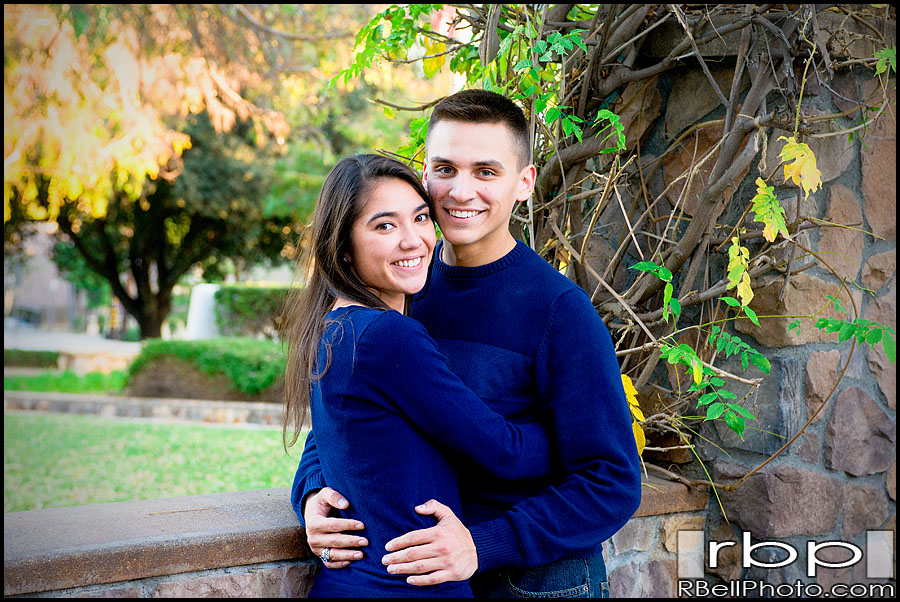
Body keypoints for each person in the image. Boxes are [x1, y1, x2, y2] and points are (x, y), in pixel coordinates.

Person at [294, 90, 643, 598]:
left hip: (535, 580)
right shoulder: (402, 285)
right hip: (426, 576)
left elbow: (612, 479)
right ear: (426, 175)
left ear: (523, 182)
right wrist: (309, 496)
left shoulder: (558, 312)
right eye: (445, 169)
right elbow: (349, 412)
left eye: (486, 171)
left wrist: (484, 544)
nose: (460, 191)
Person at [281, 153, 554, 598]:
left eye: (421, 217)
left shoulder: (332, 326)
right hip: (407, 588)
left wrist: (310, 493)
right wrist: (584, 428)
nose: (414, 240)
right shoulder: (388, 335)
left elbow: (340, 439)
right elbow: (504, 452)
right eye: (385, 226)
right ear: (344, 247)